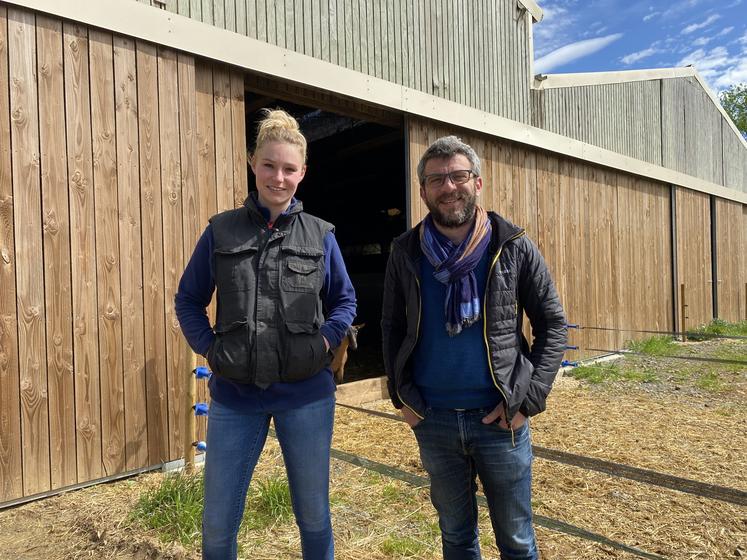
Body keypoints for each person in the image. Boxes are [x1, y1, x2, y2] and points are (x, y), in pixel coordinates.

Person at [175, 108, 356, 560]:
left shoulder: (321, 236)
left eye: (289, 169)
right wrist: (213, 351)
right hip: (236, 397)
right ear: (253, 163)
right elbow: (188, 300)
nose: (279, 177)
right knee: (217, 526)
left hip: (306, 397)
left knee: (314, 518)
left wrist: (325, 342)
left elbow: (345, 302)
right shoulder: (220, 231)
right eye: (269, 165)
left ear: (303, 174)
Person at [381, 135, 567, 560]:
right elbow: (391, 326)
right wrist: (401, 399)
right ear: (424, 190)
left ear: (477, 182)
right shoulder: (405, 251)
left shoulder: (513, 245)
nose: (449, 187)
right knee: (457, 538)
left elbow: (552, 324)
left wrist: (529, 399)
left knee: (517, 541)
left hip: (500, 419)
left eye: (459, 175)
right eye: (436, 179)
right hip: (433, 419)